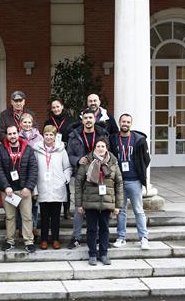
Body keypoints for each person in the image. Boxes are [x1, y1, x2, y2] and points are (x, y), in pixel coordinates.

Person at [75, 137, 123, 266]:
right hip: (90, 202)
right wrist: (78, 204)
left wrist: (118, 205)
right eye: (98, 146)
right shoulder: (86, 162)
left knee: (104, 229)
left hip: (107, 202)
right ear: (94, 148)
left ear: (106, 148)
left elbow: (119, 184)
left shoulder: (113, 163)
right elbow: (78, 184)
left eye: (103, 146)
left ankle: (104, 253)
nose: (100, 149)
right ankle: (92, 254)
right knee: (91, 229)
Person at [66, 109, 109, 249]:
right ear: (82, 120)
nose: (88, 120)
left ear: (95, 118)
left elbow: (109, 152)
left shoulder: (102, 134)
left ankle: (97, 238)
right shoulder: (75, 135)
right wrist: (78, 160)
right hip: (81, 174)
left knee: (97, 207)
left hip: (99, 175)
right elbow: (69, 154)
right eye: (86, 118)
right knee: (79, 207)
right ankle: (76, 237)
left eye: (91, 117)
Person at [109, 113, 151, 250]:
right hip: (119, 181)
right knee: (121, 211)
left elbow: (146, 159)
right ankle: (121, 237)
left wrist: (140, 171)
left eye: (128, 122)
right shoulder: (113, 139)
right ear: (120, 123)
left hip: (135, 180)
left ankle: (143, 238)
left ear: (130, 124)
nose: (125, 124)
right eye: (123, 121)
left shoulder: (139, 139)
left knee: (138, 210)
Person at [0, 125, 38, 253]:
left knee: (27, 216)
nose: (12, 136)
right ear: (6, 135)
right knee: (10, 217)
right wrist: (6, 186)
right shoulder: (0, 149)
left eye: (14, 133)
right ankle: (9, 241)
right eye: (9, 134)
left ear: (18, 134)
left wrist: (28, 187)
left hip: (24, 190)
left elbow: (33, 169)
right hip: (8, 191)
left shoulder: (28, 149)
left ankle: (29, 241)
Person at [35, 125, 72, 250]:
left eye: (51, 135)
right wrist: (34, 188)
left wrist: (65, 179)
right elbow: (34, 170)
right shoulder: (37, 150)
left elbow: (67, 167)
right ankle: (44, 239)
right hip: (43, 187)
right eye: (46, 134)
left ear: (55, 137)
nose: (49, 137)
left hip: (57, 187)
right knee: (44, 217)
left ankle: (56, 239)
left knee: (56, 217)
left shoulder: (61, 150)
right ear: (43, 135)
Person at [43, 99, 76, 218]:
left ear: (62, 107)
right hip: (51, 155)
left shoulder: (71, 121)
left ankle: (66, 210)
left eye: (58, 106)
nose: (56, 109)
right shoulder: (48, 122)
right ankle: (50, 209)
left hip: (64, 154)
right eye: (54, 107)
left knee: (65, 182)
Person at [18, 112, 43, 240]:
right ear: (20, 124)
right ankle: (21, 227)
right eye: (25, 122)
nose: (27, 124)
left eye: (29, 122)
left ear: (32, 123)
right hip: (21, 172)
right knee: (20, 200)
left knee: (34, 202)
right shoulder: (17, 137)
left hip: (35, 171)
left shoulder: (39, 137)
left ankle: (33, 226)